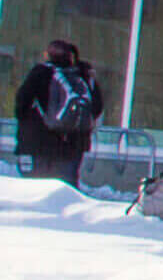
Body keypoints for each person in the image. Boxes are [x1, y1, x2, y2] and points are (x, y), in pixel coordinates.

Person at [12, 39, 100, 187]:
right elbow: (96, 107)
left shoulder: (40, 73)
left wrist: (26, 125)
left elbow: (22, 101)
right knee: (66, 189)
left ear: (48, 55)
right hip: (74, 143)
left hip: (40, 140)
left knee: (38, 188)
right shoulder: (83, 76)